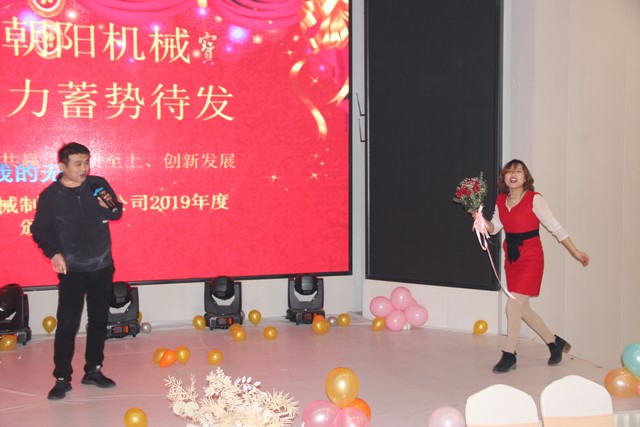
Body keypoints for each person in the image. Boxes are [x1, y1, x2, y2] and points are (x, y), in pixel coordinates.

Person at [474, 159, 589, 373]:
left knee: (512, 306)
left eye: (518, 171)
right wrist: (481, 221)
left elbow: (554, 227)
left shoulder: (534, 199)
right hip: (512, 257)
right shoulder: (501, 200)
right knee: (524, 310)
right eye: (509, 172)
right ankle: (554, 343)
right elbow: (495, 227)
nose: (513, 175)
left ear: (525, 177)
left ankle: (509, 354)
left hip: (531, 257)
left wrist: (574, 251)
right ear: (504, 178)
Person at [31, 142, 123, 399]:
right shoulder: (51, 196)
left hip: (102, 265)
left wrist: (109, 207)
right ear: (62, 166)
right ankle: (62, 377)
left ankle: (93, 370)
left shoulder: (97, 184)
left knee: (99, 321)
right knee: (67, 324)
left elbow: (116, 213)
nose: (84, 169)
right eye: (78, 164)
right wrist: (54, 253)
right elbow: (40, 230)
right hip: (72, 270)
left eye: (87, 163)